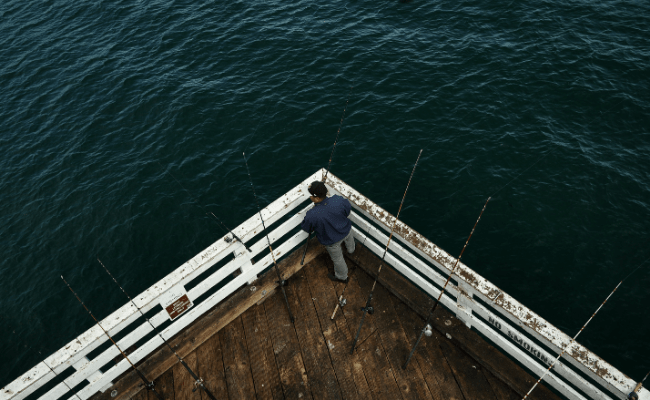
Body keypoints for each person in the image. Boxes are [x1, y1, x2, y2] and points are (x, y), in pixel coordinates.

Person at [300, 181, 355, 282]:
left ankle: (342, 277)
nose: (309, 197)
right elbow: (347, 210)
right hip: (346, 230)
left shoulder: (312, 214)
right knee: (349, 241)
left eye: (310, 195)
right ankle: (351, 251)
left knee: (338, 259)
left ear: (316, 198)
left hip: (332, 241)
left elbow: (307, 228)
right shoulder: (338, 199)